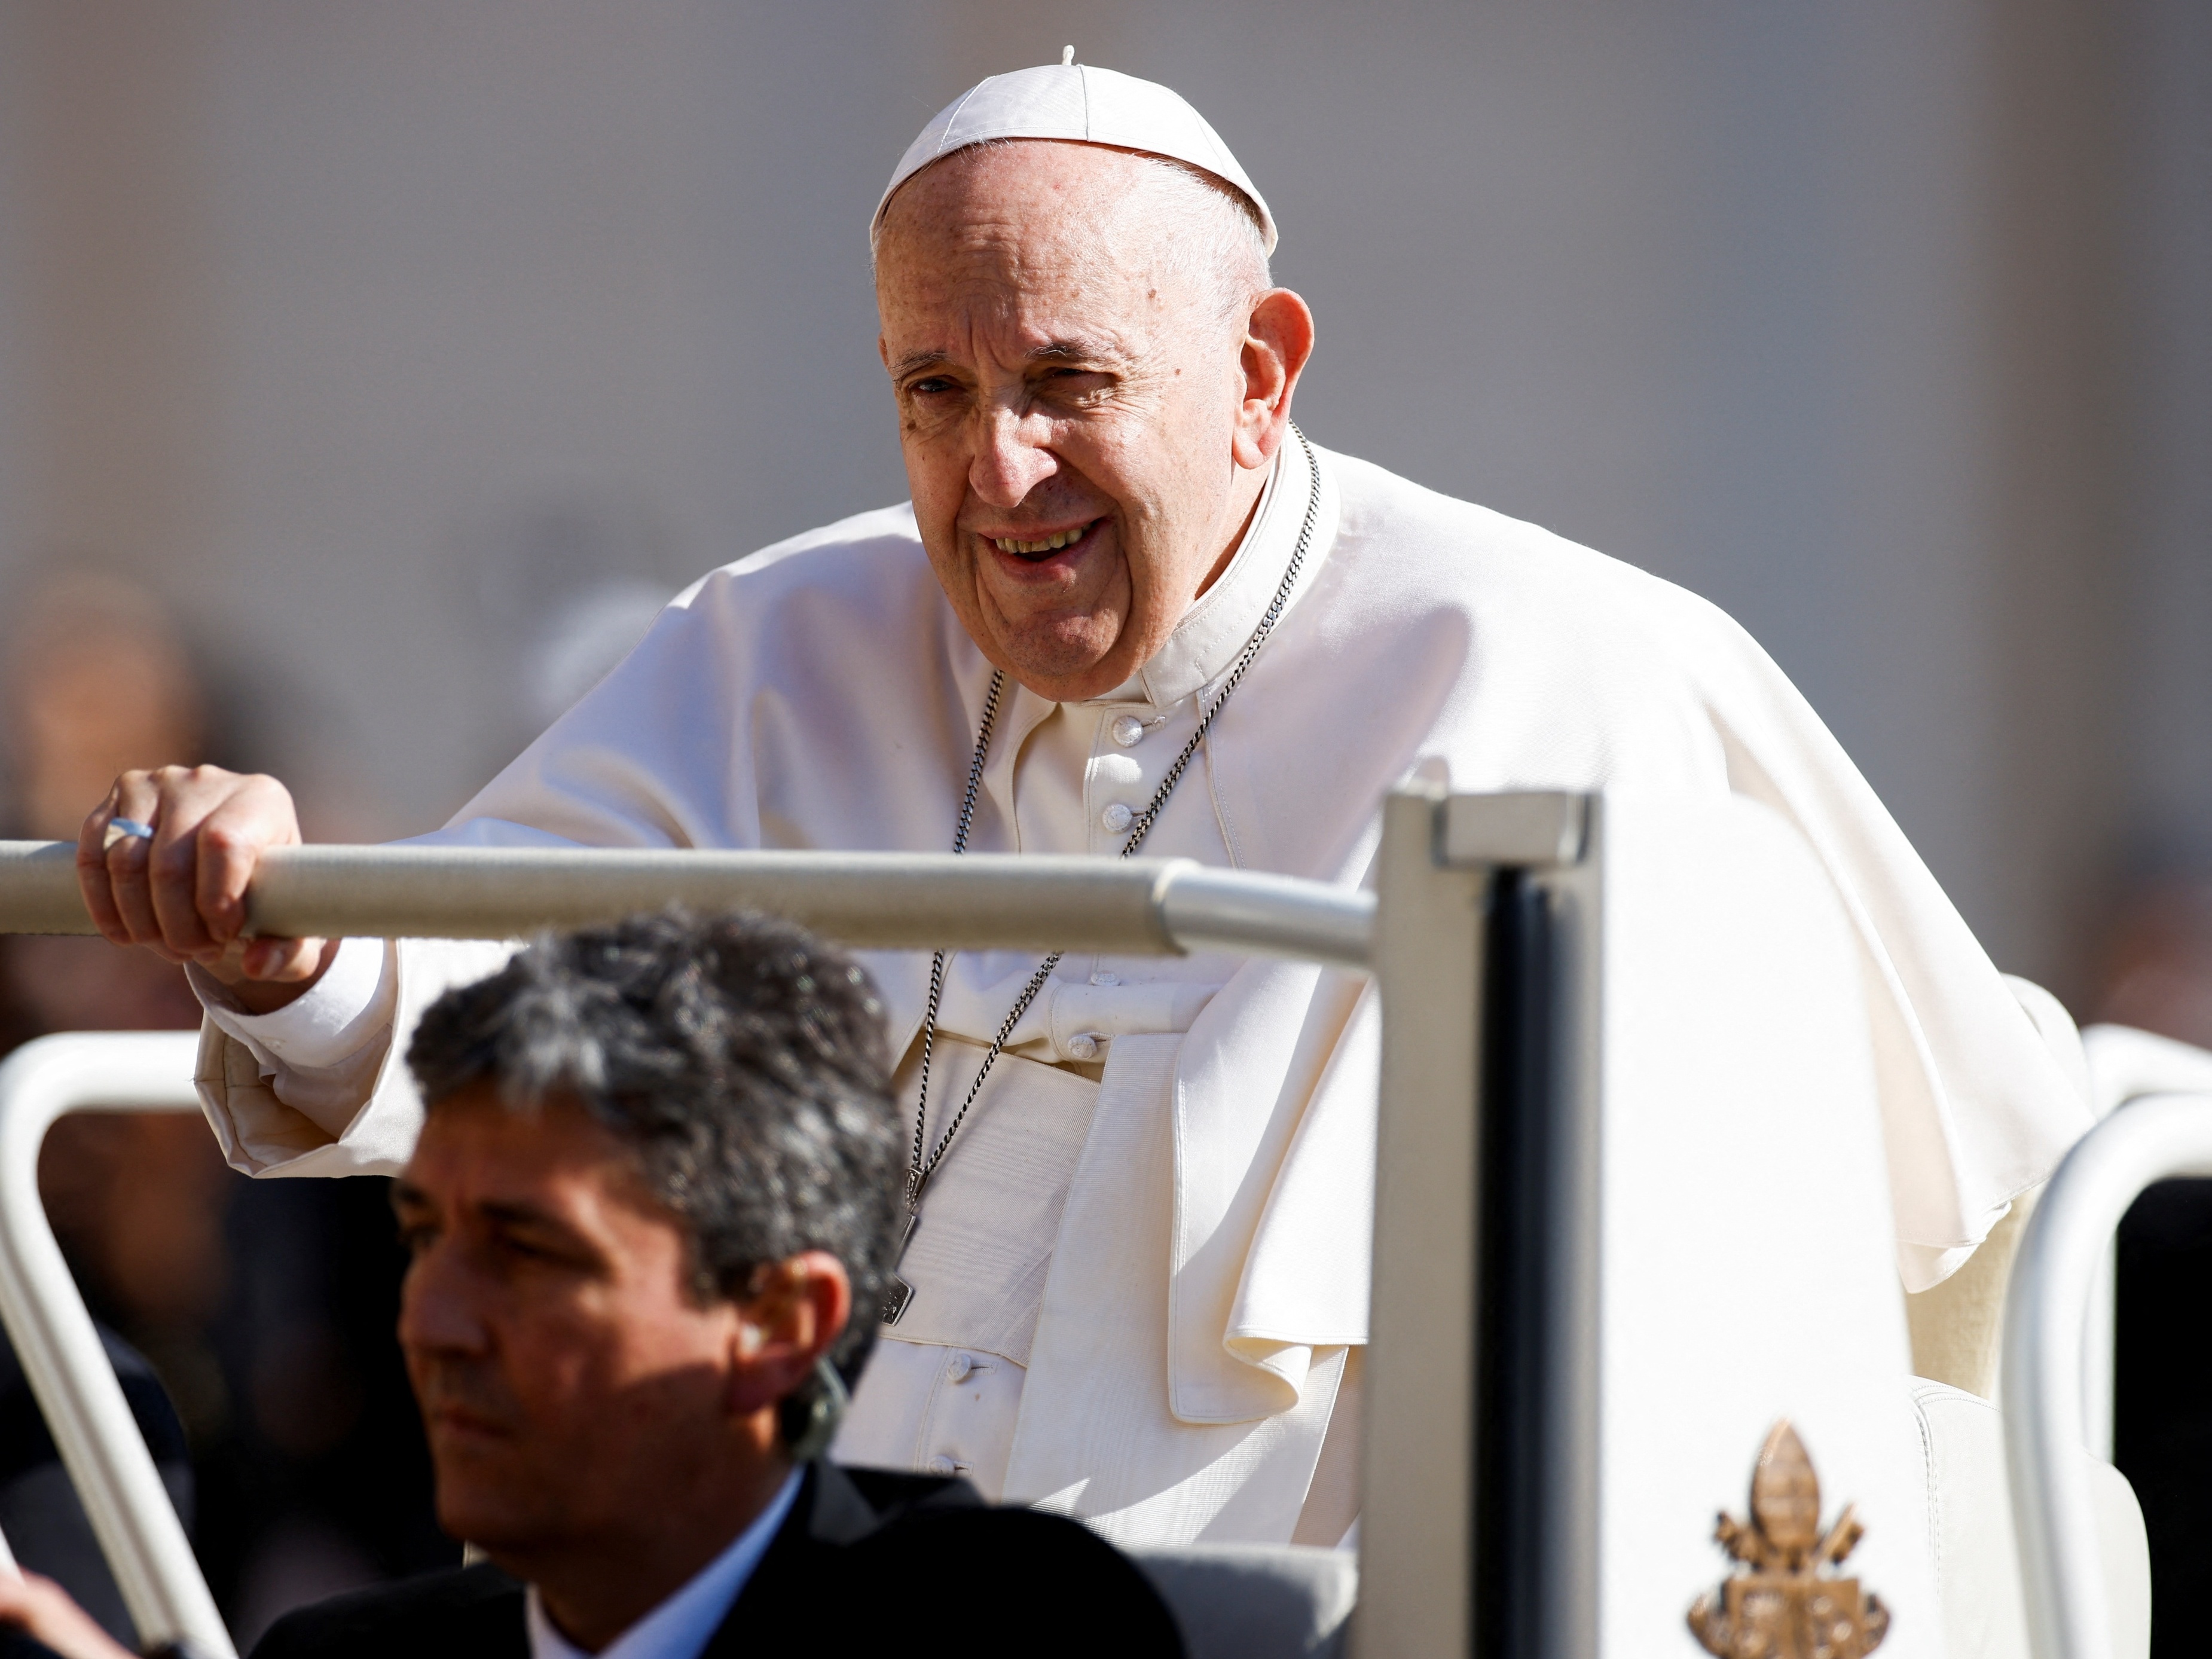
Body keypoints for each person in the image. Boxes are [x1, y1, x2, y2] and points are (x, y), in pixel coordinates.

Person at [75, 59, 2094, 1547]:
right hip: (821, 1565)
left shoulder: (1560, 676)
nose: (996, 476)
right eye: (932, 393)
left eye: (1068, 383)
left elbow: (1683, 1337)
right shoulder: (787, 642)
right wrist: (301, 938)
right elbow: (506, 978)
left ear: (1261, 372)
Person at [0, 909, 1182, 1658]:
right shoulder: (339, 1654)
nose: (436, 1319)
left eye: (528, 1251)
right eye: (424, 1235)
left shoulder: (1008, 1622)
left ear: (776, 1322)